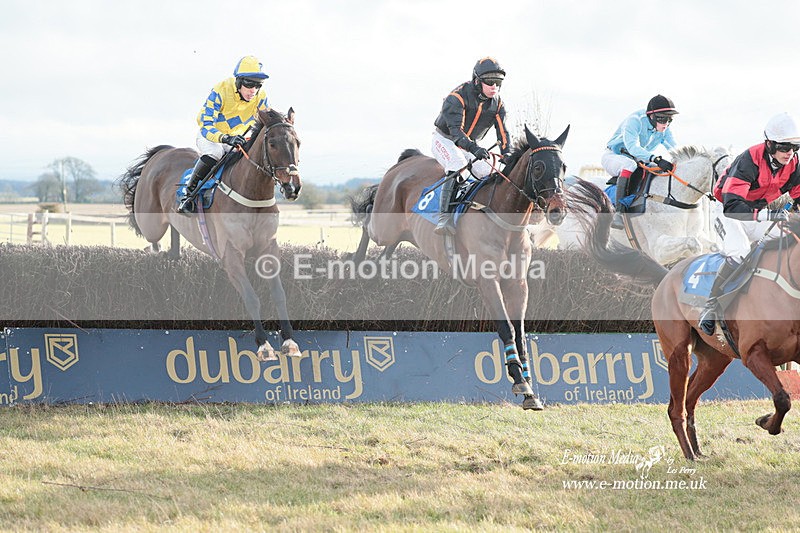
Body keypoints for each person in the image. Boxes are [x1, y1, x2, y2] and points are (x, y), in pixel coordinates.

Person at [697, 112, 800, 334]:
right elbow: (733, 207)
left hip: (756, 213)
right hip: (727, 211)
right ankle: (710, 307)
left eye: (795, 147)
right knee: (741, 251)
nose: (790, 153)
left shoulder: (793, 163)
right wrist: (770, 216)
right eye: (784, 147)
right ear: (770, 144)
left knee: (791, 240)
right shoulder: (749, 160)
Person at [177, 55, 269, 213]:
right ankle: (188, 193)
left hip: (236, 139)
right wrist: (225, 138)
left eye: (257, 85)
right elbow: (206, 125)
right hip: (211, 136)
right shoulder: (221, 90)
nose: (253, 90)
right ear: (238, 81)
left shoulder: (260, 97)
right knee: (215, 152)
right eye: (249, 84)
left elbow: (266, 121)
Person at [431, 57, 511, 235]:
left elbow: (503, 133)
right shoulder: (456, 97)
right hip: (445, 139)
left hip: (469, 144)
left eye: (498, 82)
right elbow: (456, 133)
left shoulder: (498, 104)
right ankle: (444, 218)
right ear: (477, 81)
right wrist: (475, 149)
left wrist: (508, 154)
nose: (494, 87)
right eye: (490, 81)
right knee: (458, 164)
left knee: (490, 171)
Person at [602, 94, 679, 229]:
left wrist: (680, 161)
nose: (666, 124)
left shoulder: (664, 129)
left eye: (669, 119)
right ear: (652, 116)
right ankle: (619, 213)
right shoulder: (635, 121)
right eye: (663, 119)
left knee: (657, 168)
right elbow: (633, 148)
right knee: (629, 164)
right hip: (614, 156)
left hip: (638, 160)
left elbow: (674, 148)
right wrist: (656, 158)